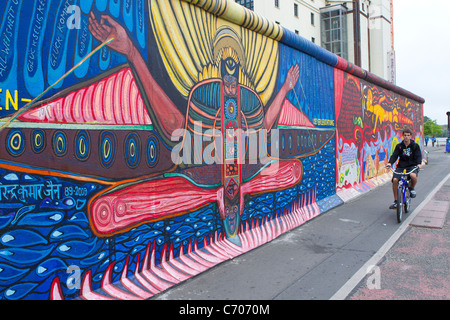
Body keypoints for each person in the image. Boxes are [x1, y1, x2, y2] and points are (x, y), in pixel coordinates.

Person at [386, 129, 422, 209]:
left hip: (412, 165)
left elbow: (418, 156)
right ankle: (396, 201)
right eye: (405, 135)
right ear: (403, 136)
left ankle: (412, 188)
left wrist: (419, 164)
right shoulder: (399, 146)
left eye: (408, 135)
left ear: (410, 136)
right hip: (401, 166)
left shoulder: (415, 146)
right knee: (395, 180)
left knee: (413, 176)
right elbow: (394, 155)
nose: (406, 137)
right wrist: (390, 163)